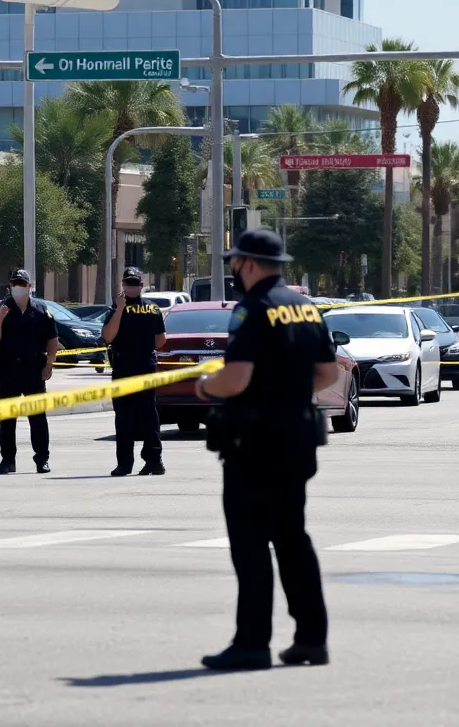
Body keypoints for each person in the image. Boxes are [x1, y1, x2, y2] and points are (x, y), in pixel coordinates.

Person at [194, 229, 335, 671]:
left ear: (249, 263)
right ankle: (312, 639)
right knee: (293, 540)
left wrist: (203, 386)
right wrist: (288, 396)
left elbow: (234, 380)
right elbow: (328, 374)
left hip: (254, 445)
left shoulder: (252, 309)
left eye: (235, 263)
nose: (234, 270)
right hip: (296, 441)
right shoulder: (305, 308)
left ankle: (252, 643)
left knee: (251, 545)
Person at [0, 268, 60, 475]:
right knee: (7, 418)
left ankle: (42, 459)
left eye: (22, 284)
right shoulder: (4, 307)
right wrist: (0, 319)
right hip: (8, 369)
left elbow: (52, 340)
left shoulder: (41, 310)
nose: (17, 288)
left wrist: (49, 364)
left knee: (37, 417)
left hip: (33, 369)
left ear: (29, 287)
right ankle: (7, 460)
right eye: (15, 284)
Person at [101, 266, 167, 477]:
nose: (131, 287)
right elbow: (160, 341)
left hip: (134, 366)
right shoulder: (147, 308)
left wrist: (119, 310)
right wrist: (120, 309)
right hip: (134, 366)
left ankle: (139, 462)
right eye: (128, 283)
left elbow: (109, 337)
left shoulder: (142, 309)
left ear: (140, 285)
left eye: (134, 283)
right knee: (137, 415)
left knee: (134, 416)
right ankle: (142, 462)